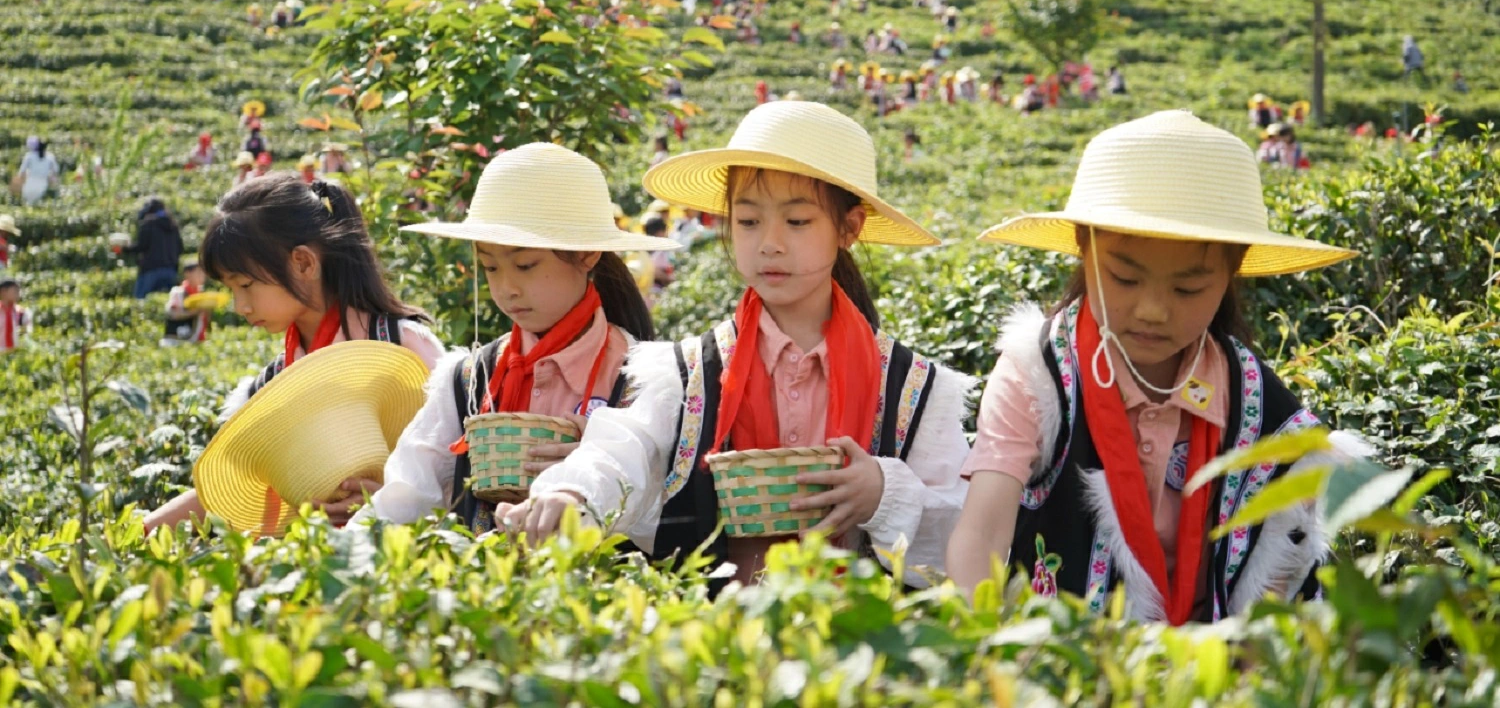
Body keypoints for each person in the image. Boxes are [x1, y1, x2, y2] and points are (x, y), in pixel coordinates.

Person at [505, 102, 974, 587]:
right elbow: (626, 447)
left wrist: (883, 495)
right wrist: (570, 493)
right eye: (748, 222)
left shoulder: (912, 388)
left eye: (797, 223)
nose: (769, 244)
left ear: (848, 228)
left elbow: (967, 537)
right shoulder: (689, 373)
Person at [947, 110, 1365, 621]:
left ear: (1232, 272)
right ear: (1084, 248)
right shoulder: (1037, 375)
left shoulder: (1253, 396)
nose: (1152, 310)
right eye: (1124, 278)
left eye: (1188, 289)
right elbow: (983, 532)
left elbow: (1284, 561)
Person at [356, 144, 678, 535]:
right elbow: (405, 495)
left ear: (588, 255)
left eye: (525, 265)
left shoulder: (644, 377)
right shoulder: (466, 379)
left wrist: (596, 481)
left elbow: (669, 521)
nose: (507, 288)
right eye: (490, 266)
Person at [141, 174, 446, 534]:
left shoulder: (403, 345)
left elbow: (456, 470)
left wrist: (393, 501)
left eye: (246, 285)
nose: (239, 305)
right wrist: (144, 529)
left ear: (303, 263)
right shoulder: (272, 382)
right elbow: (231, 494)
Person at [124, 197, 184, 298]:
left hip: (150, 270)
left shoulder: (148, 223)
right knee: (166, 301)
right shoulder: (173, 225)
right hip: (170, 270)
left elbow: (141, 246)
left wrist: (125, 248)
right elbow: (180, 248)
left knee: (141, 300)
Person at [162, 260, 214, 346]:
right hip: (177, 341)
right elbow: (173, 314)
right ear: (187, 274)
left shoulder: (201, 293)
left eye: (203, 273)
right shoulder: (178, 292)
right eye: (198, 273)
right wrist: (195, 311)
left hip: (197, 339)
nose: (202, 276)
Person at [14, 138, 60, 207]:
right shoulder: (50, 156)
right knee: (38, 203)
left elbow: (22, 171)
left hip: (30, 182)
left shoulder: (29, 156)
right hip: (43, 182)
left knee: (28, 203)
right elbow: (56, 170)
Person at [0, 278, 29, 352]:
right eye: (15, 291)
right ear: (3, 291)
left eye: (18, 291)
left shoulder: (22, 312)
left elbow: (26, 334)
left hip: (16, 355)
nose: (18, 294)